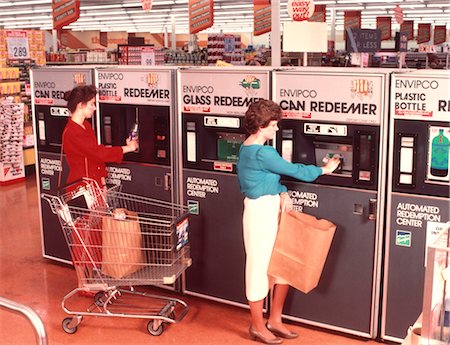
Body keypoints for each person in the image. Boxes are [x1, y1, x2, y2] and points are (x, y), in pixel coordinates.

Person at [237, 99, 340, 344]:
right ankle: (258, 326)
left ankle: (275, 320)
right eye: (273, 125)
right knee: (259, 269)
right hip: (261, 212)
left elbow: (265, 178)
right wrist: (324, 170)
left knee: (281, 262)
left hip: (268, 207)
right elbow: (294, 170)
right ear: (261, 127)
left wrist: (282, 192)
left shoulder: (247, 147)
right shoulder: (262, 151)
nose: (276, 130)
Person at [62, 85, 138, 188]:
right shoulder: (73, 132)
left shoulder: (86, 125)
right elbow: (99, 153)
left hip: (94, 183)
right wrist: (128, 148)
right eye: (92, 104)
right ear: (80, 105)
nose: (95, 108)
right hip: (82, 186)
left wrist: (102, 181)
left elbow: (95, 157)